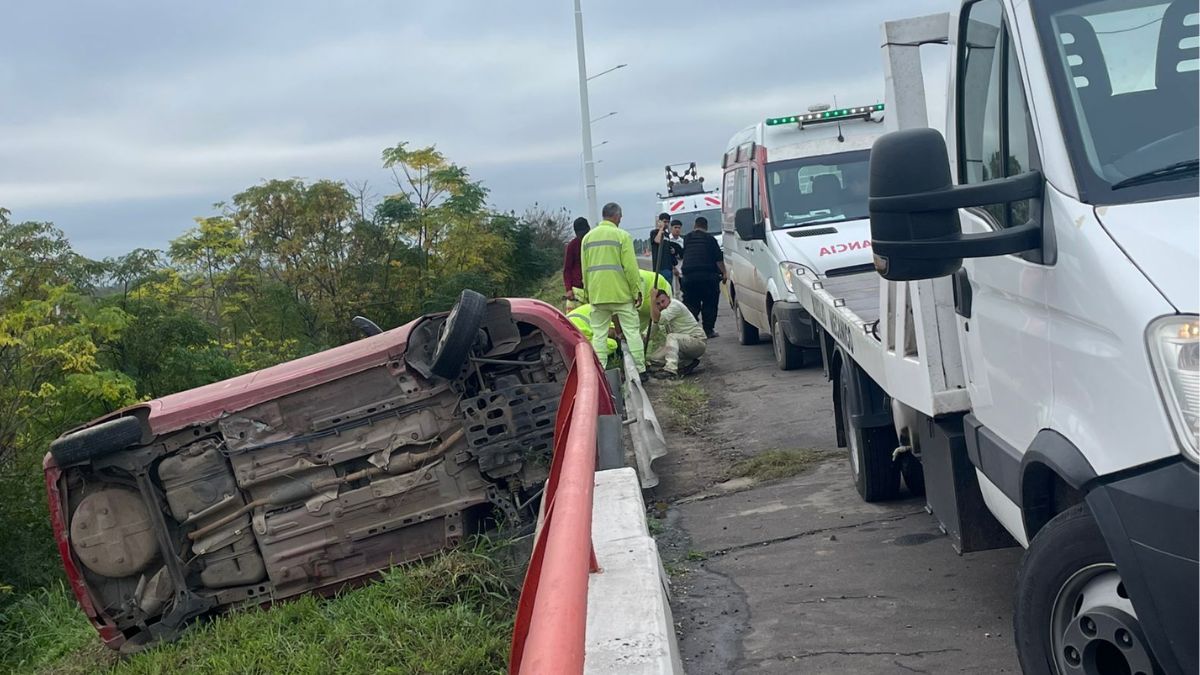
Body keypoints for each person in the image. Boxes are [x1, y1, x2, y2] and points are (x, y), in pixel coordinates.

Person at [581, 202, 646, 380]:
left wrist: (588, 294)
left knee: (599, 334)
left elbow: (585, 269)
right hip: (620, 295)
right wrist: (636, 292)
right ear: (617, 216)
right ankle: (641, 370)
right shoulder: (622, 236)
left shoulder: (587, 238)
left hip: (597, 295)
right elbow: (631, 269)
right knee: (632, 331)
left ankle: (600, 371)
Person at [679, 216, 727, 339]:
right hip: (708, 277)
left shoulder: (687, 238)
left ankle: (692, 330)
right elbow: (718, 260)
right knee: (710, 304)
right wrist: (725, 273)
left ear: (695, 226)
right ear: (706, 227)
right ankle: (708, 330)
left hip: (689, 277)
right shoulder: (710, 239)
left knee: (690, 304)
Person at [647, 289, 707, 379]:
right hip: (683, 345)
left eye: (663, 301)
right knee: (654, 358)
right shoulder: (661, 313)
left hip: (697, 342)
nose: (662, 305)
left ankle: (671, 370)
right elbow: (650, 332)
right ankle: (687, 363)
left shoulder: (674, 305)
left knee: (671, 337)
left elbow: (657, 319)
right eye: (658, 304)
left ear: (668, 297)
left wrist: (652, 300)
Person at [565, 304, 619, 368]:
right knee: (612, 344)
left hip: (566, 336)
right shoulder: (603, 312)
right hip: (582, 339)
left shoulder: (589, 307)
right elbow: (611, 333)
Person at [562, 217, 589, 310]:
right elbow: (567, 269)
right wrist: (568, 289)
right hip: (576, 289)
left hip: (592, 287)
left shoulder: (593, 244)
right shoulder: (572, 246)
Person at [651, 213, 684, 286]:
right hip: (659, 268)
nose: (666, 224)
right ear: (659, 222)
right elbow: (657, 241)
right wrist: (661, 229)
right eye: (664, 221)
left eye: (668, 222)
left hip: (668, 268)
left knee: (669, 290)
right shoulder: (654, 232)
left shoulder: (667, 235)